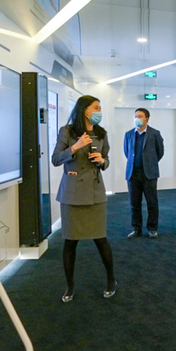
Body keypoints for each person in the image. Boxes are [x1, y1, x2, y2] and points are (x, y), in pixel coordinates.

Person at [51, 95, 115, 302]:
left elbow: (107, 160)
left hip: (95, 192)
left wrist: (102, 161)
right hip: (72, 193)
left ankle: (111, 280)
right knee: (70, 242)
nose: (99, 111)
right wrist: (75, 147)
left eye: (100, 108)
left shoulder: (101, 133)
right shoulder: (67, 131)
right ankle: (69, 286)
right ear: (84, 110)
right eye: (96, 107)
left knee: (101, 239)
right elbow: (55, 159)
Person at [123, 108, 165, 239]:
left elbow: (160, 152)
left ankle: (152, 228)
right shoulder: (129, 134)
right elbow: (127, 152)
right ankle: (136, 228)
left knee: (152, 203)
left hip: (149, 174)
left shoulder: (155, 133)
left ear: (147, 119)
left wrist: (149, 163)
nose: (137, 118)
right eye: (135, 116)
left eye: (140, 116)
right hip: (133, 174)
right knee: (134, 203)